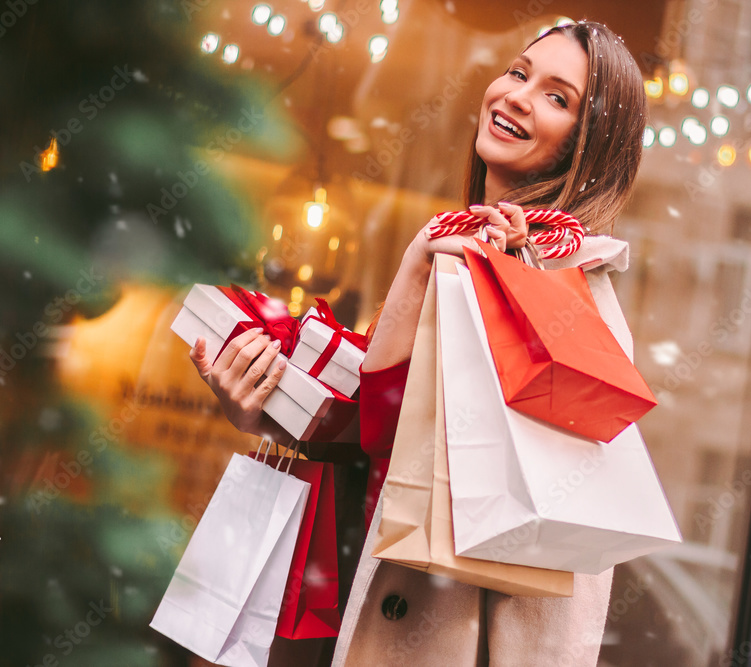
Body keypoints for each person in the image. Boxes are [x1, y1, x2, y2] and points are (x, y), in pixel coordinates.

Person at [191, 19, 647, 666]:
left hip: (444, 629)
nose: (516, 95)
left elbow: (444, 455)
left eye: (557, 96)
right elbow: (390, 432)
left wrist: (422, 268)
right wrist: (267, 407)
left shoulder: (566, 285)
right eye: (518, 73)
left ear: (591, 144)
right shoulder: (460, 246)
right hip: (358, 588)